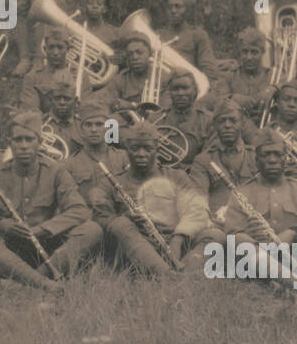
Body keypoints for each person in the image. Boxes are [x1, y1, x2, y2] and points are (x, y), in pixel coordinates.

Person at [0, 112, 101, 291]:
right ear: (9, 143)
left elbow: (79, 210)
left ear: (39, 142)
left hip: (46, 247)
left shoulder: (56, 171)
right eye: (18, 140)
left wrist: (42, 230)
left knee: (92, 229)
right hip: (8, 250)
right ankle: (44, 284)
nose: (24, 146)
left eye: (29, 139)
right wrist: (1, 224)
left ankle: (30, 281)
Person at [98, 122, 219, 277]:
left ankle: (183, 271)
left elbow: (197, 209)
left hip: (174, 243)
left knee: (215, 235)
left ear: (157, 149)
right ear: (126, 150)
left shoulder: (177, 176)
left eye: (148, 149)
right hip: (135, 246)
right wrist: (128, 218)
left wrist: (179, 238)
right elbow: (101, 218)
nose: (141, 154)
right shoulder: (111, 182)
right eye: (135, 148)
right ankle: (169, 275)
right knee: (120, 224)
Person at [222, 129, 297, 286]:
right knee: (239, 240)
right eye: (266, 155)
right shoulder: (241, 193)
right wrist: (255, 238)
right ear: (256, 160)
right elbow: (234, 234)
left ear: (286, 159)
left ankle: (294, 281)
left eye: (278, 154)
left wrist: (294, 232)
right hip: (260, 258)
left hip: (296, 255)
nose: (272, 160)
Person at [187, 99, 258, 222]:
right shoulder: (203, 160)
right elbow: (198, 199)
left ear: (242, 123)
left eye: (233, 120)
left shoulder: (256, 156)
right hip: (218, 224)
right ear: (214, 125)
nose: (227, 125)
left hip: (253, 222)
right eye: (221, 121)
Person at [153, 0, 222, 84]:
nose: (173, 10)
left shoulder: (197, 35)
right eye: (170, 7)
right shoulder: (157, 35)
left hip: (187, 90)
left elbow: (209, 71)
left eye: (178, 6)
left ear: (188, 10)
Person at [152, 71, 210, 169]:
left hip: (193, 175)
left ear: (195, 91)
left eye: (185, 88)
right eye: (175, 89)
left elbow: (207, 159)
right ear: (169, 92)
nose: (180, 93)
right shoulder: (156, 118)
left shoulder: (207, 120)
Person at [19, 26, 74, 113]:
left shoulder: (80, 76)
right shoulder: (32, 78)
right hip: (44, 124)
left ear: (68, 49)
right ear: (45, 49)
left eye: (60, 47)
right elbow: (31, 110)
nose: (55, 52)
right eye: (51, 47)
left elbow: (87, 107)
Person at [105, 34, 166, 112]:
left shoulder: (164, 77)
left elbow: (166, 109)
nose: (134, 57)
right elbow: (107, 101)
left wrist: (132, 105)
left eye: (139, 52)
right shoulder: (120, 79)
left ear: (150, 53)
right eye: (130, 54)